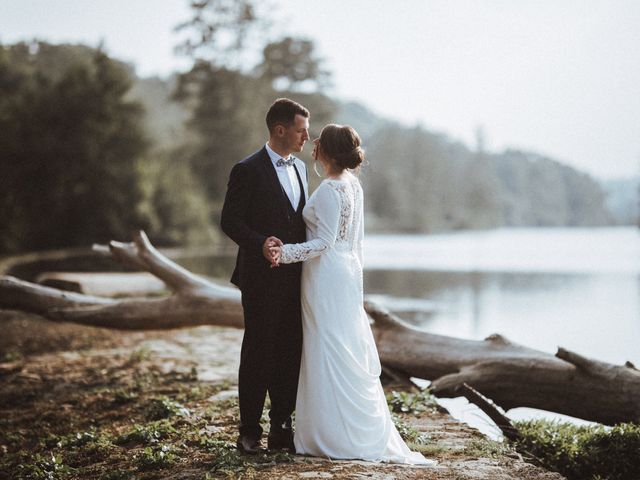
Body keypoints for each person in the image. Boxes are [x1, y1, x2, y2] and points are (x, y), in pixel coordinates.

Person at [269, 124, 436, 465]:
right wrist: (355, 286)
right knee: (339, 344)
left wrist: (283, 253)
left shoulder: (331, 189)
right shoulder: (354, 187)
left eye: (317, 140)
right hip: (345, 274)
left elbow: (325, 243)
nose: (311, 142)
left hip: (326, 275)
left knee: (328, 346)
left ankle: (331, 435)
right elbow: (356, 243)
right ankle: (335, 429)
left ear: (326, 151)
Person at [220, 98, 310, 454]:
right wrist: (260, 244)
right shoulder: (247, 169)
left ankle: (281, 428)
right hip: (259, 278)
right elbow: (229, 220)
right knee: (258, 351)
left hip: (296, 278)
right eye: (301, 130)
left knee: (291, 350)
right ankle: (248, 431)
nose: (306, 136)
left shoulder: (302, 169)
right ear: (280, 130)